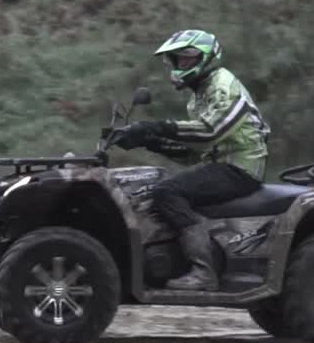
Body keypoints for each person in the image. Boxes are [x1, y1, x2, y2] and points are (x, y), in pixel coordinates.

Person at [114, 29, 271, 291]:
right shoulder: (198, 98)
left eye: (187, 59)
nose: (181, 65)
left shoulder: (223, 85)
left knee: (167, 191)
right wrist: (148, 140)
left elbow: (211, 130)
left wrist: (157, 127)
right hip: (221, 165)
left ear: (206, 58)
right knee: (157, 183)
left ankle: (203, 272)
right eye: (178, 60)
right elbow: (194, 153)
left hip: (241, 167)